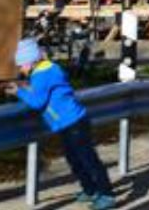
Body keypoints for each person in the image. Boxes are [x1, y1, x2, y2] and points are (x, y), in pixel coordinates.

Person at [11, 39, 116, 209]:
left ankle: (107, 194)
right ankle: (90, 190)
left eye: (21, 65)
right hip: (70, 123)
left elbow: (37, 102)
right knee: (75, 160)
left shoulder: (40, 74)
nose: (20, 69)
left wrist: (19, 92)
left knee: (88, 160)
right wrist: (27, 87)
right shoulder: (48, 68)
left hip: (72, 123)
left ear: (30, 61)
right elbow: (45, 90)